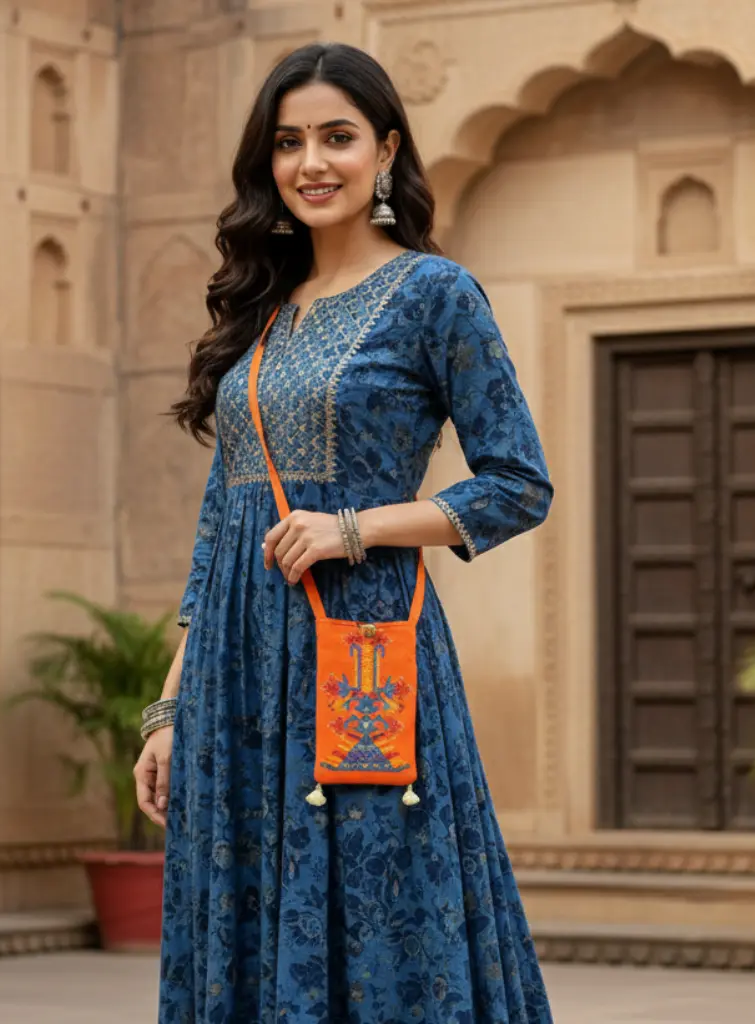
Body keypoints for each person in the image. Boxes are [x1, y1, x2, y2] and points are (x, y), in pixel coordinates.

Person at [134, 41, 555, 1024]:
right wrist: (167, 709)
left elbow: (516, 483)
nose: (311, 162)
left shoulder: (432, 295)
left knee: (378, 914)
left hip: (359, 657)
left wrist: (355, 527)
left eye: (336, 137)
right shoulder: (263, 313)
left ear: (384, 150)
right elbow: (219, 530)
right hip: (237, 673)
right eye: (288, 142)